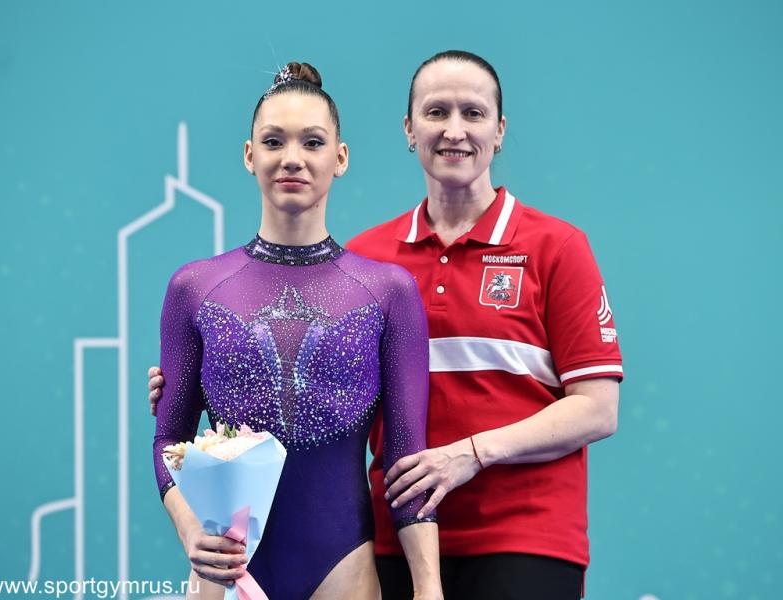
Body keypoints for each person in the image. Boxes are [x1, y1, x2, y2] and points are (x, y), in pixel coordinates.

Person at [150, 50, 623, 600]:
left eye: (472, 113)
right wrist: (202, 376)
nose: (453, 130)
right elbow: (177, 435)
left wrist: (468, 460)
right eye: (436, 112)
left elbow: (597, 407)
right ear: (409, 128)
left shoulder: (549, 248)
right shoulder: (372, 256)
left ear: (500, 130)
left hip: (518, 536)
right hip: (381, 541)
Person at [152, 61, 442, 600]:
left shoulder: (388, 292)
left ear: (340, 158)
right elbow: (169, 441)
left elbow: (406, 460)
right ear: (249, 155)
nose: (292, 158)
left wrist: (429, 588)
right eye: (273, 141)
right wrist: (191, 532)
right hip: (225, 566)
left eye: (312, 142)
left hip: (343, 562)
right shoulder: (194, 288)